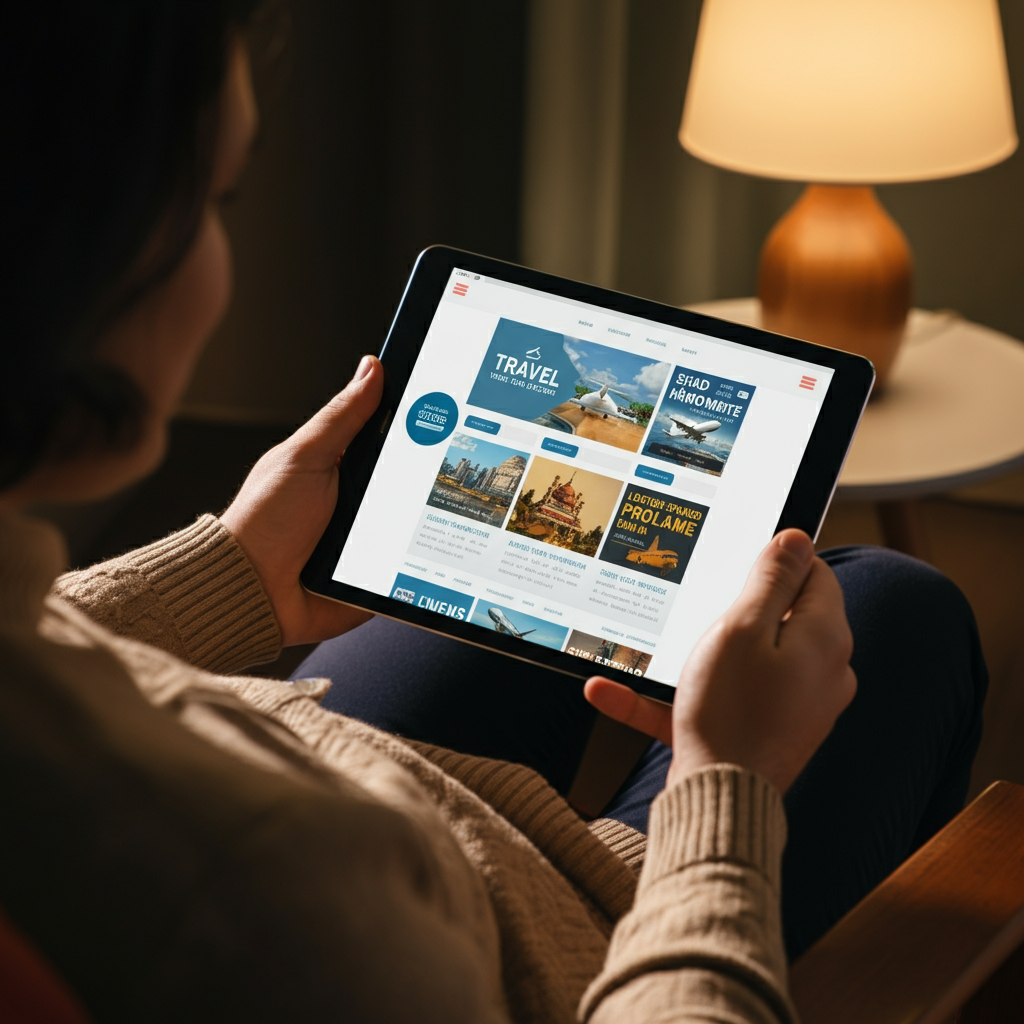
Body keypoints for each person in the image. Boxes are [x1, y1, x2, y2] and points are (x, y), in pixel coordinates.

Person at [0, 3, 986, 1022]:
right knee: (894, 604)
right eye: (216, 198)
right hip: (585, 943)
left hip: (352, 782)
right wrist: (729, 783)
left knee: (522, 568)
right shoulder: (267, 904)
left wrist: (235, 574)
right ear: (70, 252)